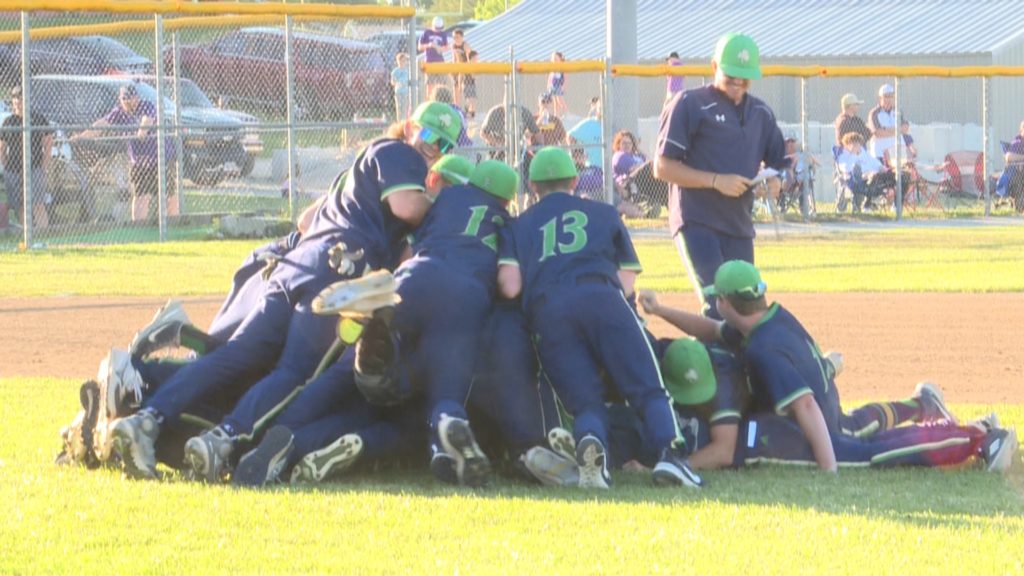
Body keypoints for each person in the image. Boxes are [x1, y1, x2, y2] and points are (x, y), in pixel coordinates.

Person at [109, 102, 463, 481]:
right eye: (429, 135)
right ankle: (223, 438)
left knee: (238, 354)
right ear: (409, 127)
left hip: (295, 263)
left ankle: (146, 419)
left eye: (444, 144)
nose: (433, 148)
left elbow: (307, 220)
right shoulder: (397, 153)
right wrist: (448, 205)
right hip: (338, 269)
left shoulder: (356, 169)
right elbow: (407, 205)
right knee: (293, 372)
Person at [635, 262, 1019, 474]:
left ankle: (981, 438)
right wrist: (661, 310)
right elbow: (716, 331)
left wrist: (829, 467)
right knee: (862, 427)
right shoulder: (769, 318)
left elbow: (804, 408)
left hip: (817, 418)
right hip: (825, 400)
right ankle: (927, 405)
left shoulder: (763, 350)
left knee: (873, 453)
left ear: (724, 302)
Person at [497, 146, 702, 490]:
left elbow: (510, 286)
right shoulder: (605, 213)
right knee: (648, 387)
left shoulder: (518, 226)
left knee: (585, 401)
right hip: (601, 296)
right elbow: (626, 281)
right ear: (575, 180)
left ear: (533, 187)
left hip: (549, 310)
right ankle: (672, 455)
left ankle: (593, 444)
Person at [653, 33, 786, 320]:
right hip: (696, 220)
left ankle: (744, 366)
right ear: (714, 66)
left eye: (745, 78)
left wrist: (774, 182)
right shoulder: (689, 103)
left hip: (738, 225)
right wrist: (716, 180)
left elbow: (780, 163)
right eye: (731, 76)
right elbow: (662, 167)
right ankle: (716, 365)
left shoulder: (761, 113)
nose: (738, 84)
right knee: (717, 306)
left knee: (746, 306)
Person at [73, 84, 175, 223]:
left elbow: (146, 121)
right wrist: (82, 136)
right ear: (120, 100)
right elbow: (101, 125)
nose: (129, 102)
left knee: (169, 195)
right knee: (140, 196)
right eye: (125, 99)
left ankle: (175, 222)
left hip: (160, 157)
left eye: (131, 99)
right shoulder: (119, 112)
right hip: (139, 161)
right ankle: (138, 228)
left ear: (136, 97)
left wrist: (141, 132)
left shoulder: (146, 106)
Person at [0, 85, 51, 229]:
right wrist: (7, 167)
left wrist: (43, 167)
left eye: (21, 97)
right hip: (14, 170)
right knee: (20, 206)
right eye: (15, 97)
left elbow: (48, 143)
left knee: (37, 204)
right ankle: (26, 233)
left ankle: (43, 233)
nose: (18, 100)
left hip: (34, 168)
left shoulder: (37, 118)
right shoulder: (8, 122)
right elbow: (2, 148)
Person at [836, 132, 885, 212]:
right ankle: (867, 205)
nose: (857, 146)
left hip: (869, 176)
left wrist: (880, 167)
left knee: (877, 176)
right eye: (854, 143)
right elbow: (845, 168)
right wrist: (853, 153)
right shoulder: (844, 155)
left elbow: (872, 161)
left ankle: (869, 204)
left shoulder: (863, 153)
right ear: (847, 144)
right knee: (859, 169)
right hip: (852, 179)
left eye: (858, 143)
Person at [868, 84, 916, 163]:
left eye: (891, 96)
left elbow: (905, 128)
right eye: (886, 96)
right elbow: (878, 133)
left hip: (897, 153)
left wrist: (886, 129)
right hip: (881, 153)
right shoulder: (874, 113)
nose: (889, 99)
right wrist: (897, 130)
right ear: (880, 98)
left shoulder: (897, 111)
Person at [418, 16, 449, 95]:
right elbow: (419, 47)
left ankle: (441, 100)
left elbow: (446, 47)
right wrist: (429, 45)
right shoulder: (426, 33)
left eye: (440, 28)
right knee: (430, 85)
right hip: (429, 61)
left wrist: (439, 48)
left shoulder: (443, 34)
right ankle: (430, 101)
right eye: (437, 28)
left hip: (440, 62)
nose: (438, 30)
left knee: (442, 84)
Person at [450, 29, 471, 110]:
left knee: (465, 87)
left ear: (462, 37)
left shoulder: (465, 45)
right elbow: (454, 58)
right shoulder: (453, 45)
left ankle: (468, 107)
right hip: (458, 68)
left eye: (457, 37)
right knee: (455, 86)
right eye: (454, 37)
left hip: (465, 68)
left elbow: (469, 58)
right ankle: (457, 105)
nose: (455, 39)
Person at [546, 51, 567, 117]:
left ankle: (566, 112)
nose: (554, 60)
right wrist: (548, 85)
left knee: (560, 100)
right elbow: (550, 77)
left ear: (560, 59)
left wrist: (563, 86)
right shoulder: (552, 68)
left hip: (558, 86)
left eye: (555, 58)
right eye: (553, 59)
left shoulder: (562, 68)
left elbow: (565, 78)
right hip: (552, 86)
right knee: (555, 102)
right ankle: (556, 115)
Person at [390, 53, 411, 121]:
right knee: (399, 107)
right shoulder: (395, 71)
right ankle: (399, 121)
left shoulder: (408, 70)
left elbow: (409, 80)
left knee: (405, 107)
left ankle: (404, 120)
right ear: (397, 61)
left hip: (406, 91)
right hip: (398, 91)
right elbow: (392, 82)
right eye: (400, 61)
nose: (402, 62)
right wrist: (397, 83)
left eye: (404, 61)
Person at [463, 50, 479, 121]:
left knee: (473, 99)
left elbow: (474, 77)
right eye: (475, 58)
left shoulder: (474, 65)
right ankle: (467, 112)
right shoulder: (467, 65)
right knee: (469, 99)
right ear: (472, 58)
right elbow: (471, 76)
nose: (477, 59)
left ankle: (472, 113)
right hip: (467, 84)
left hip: (472, 84)